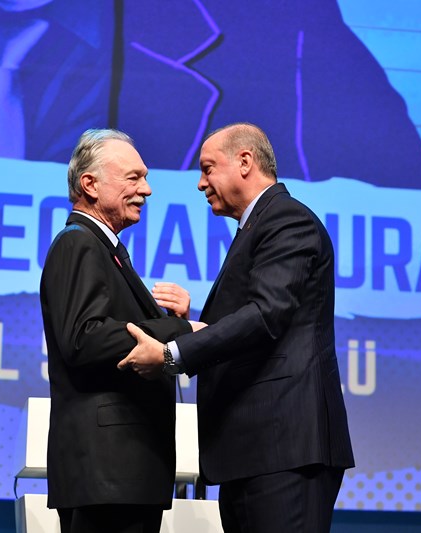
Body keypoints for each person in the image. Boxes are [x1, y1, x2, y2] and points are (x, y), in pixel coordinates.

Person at [118, 123, 355, 532]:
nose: (200, 183)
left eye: (208, 168)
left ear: (245, 162)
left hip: (284, 449)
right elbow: (259, 322)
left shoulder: (287, 220)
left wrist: (173, 354)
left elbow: (265, 315)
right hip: (255, 451)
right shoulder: (259, 224)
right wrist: (194, 325)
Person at [40, 128, 196, 533]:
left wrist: (168, 319)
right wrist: (179, 328)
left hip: (123, 474)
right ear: (90, 184)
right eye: (134, 177)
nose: (146, 189)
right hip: (107, 474)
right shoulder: (77, 243)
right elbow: (84, 338)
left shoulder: (102, 247)